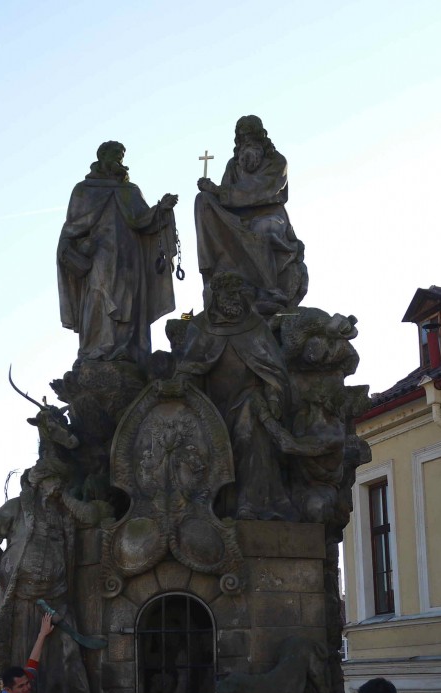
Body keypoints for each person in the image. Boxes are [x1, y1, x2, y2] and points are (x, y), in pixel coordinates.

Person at [0, 466, 104, 693]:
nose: (58, 488)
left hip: (57, 595)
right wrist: (6, 562)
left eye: (60, 483)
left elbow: (91, 517)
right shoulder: (16, 508)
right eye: (54, 482)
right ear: (39, 484)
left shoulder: (63, 512)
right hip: (23, 598)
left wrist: (66, 499)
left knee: (66, 655)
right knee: (26, 656)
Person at [177, 270, 296, 520]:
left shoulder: (255, 327)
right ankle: (207, 505)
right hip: (211, 406)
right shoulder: (200, 326)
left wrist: (274, 397)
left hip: (251, 400)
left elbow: (274, 370)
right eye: (229, 294)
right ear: (216, 297)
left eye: (239, 294)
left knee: (248, 432)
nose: (235, 299)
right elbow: (189, 367)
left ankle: (250, 503)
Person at [57, 140, 178, 366]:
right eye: (116, 154)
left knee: (128, 299)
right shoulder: (83, 191)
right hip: (99, 254)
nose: (120, 159)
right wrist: (71, 247)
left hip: (129, 255)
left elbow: (143, 219)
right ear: (103, 156)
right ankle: (96, 348)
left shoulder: (130, 191)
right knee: (98, 296)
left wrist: (161, 209)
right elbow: (72, 227)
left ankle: (127, 349)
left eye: (122, 155)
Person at [195, 114, 307, 313]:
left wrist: (219, 191)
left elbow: (262, 191)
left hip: (271, 215)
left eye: (251, 135)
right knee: (202, 200)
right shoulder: (233, 165)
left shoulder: (277, 161)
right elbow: (223, 199)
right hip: (238, 217)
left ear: (261, 137)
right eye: (242, 136)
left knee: (260, 228)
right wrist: (211, 192)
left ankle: (270, 290)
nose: (246, 140)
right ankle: (212, 273)